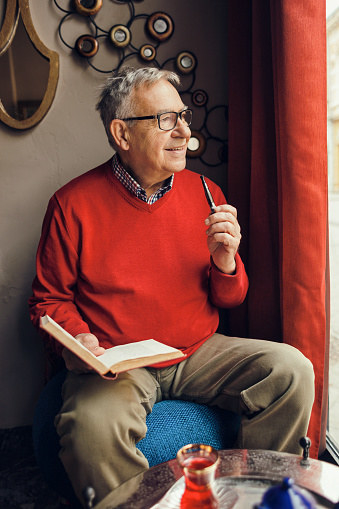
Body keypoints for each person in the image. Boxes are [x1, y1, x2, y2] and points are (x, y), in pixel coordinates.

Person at [29, 67, 314, 507]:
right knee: (89, 424)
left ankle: (254, 497)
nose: (184, 130)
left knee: (291, 369)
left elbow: (231, 297)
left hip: (198, 350)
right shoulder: (72, 204)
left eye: (182, 115)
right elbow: (49, 300)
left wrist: (225, 262)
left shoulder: (206, 189)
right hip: (120, 361)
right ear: (122, 134)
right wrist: (80, 340)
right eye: (166, 119)